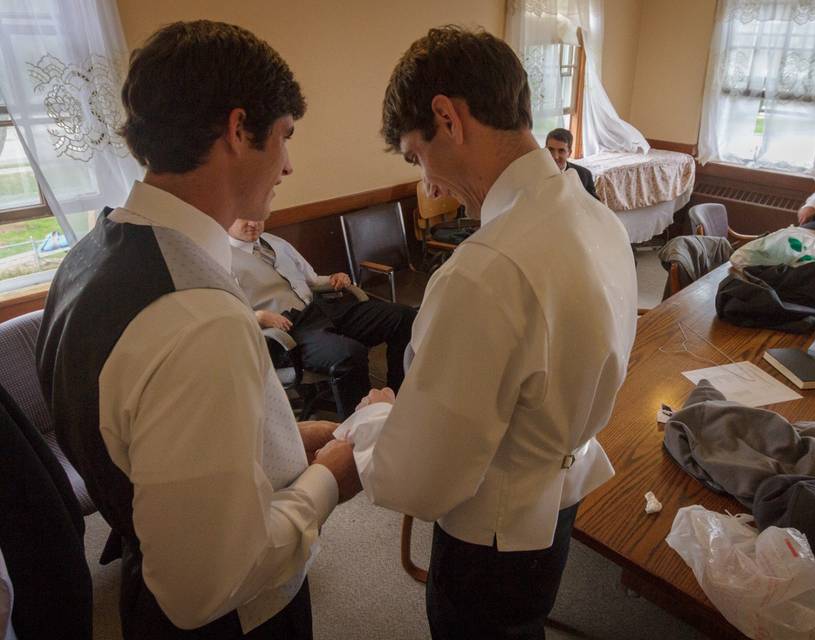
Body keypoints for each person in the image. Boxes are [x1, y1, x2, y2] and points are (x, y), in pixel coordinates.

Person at [35, 21, 360, 639]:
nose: (289, 165)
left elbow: (148, 440)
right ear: (239, 130)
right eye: (285, 137)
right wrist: (329, 478)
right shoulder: (199, 317)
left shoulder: (89, 256)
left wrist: (282, 442)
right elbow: (205, 584)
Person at [337, 26, 637, 639]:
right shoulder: (599, 218)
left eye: (417, 156)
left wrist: (374, 418)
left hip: (491, 536)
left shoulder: (484, 273)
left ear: (447, 118)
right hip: (558, 499)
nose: (430, 184)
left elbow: (421, 480)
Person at [228, 217, 415, 411]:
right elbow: (229, 313)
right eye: (245, 219)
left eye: (258, 217)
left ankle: (398, 397)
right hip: (288, 327)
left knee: (403, 317)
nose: (253, 224)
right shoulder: (222, 259)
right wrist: (258, 316)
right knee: (349, 354)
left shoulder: (276, 242)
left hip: (321, 309)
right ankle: (362, 423)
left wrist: (334, 278)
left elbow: (313, 280)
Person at [545, 127, 599, 200]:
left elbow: (594, 206)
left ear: (569, 153)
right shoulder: (534, 173)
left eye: (561, 151)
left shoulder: (584, 175)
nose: (555, 156)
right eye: (551, 149)